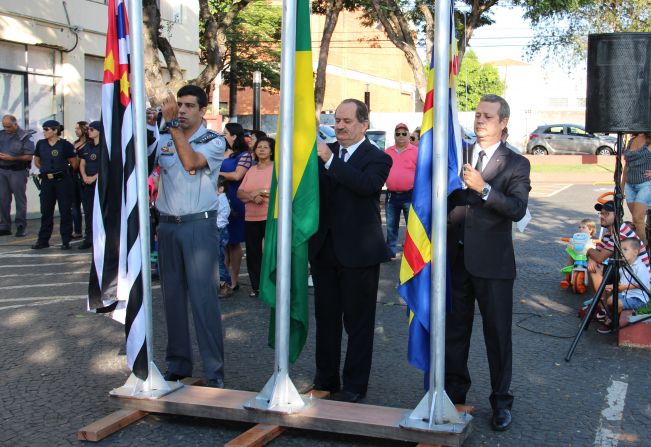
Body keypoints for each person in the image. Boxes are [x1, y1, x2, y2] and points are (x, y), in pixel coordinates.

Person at [446, 94, 531, 431]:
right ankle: (454, 395)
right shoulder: (458, 153)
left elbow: (517, 208)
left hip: (493, 264)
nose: (480, 121)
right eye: (478, 114)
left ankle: (501, 402)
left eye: (488, 117)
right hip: (456, 259)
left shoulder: (516, 163)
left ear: (503, 122)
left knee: (497, 335)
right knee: (455, 332)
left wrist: (483, 189)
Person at [308, 98, 393, 403]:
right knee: (326, 319)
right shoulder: (323, 152)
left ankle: (354, 386)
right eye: (337, 121)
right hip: (324, 250)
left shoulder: (377, 157)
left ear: (364, 125)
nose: (340, 126)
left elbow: (366, 186)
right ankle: (326, 379)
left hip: (359, 253)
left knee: (358, 324)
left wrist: (331, 160)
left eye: (346, 121)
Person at [149, 85, 226, 387]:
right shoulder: (165, 138)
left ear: (202, 110)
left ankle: (213, 371)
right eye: (178, 104)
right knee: (172, 298)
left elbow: (191, 162)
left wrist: (171, 127)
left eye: (189, 106)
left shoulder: (213, 141)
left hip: (197, 226)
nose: (181, 110)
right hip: (167, 224)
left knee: (203, 300)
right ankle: (178, 364)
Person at [31, 120, 78, 249]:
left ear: (55, 130)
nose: (44, 132)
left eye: (47, 129)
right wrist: (46, 170)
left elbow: (74, 163)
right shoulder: (41, 144)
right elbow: (37, 161)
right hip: (47, 181)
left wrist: (62, 172)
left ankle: (66, 240)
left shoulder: (65, 145)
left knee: (65, 210)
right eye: (44, 129)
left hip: (62, 181)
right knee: (46, 211)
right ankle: (43, 240)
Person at [237, 137, 274, 297]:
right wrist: (253, 196)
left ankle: (273, 285)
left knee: (272, 252)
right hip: (251, 217)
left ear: (272, 151)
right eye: (259, 147)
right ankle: (256, 286)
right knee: (253, 254)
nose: (262, 150)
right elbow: (240, 193)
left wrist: (261, 192)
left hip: (270, 217)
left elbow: (279, 193)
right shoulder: (251, 170)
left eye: (266, 147)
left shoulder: (277, 169)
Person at [586, 200, 649, 293]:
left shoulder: (619, 232)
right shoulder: (610, 232)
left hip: (637, 277)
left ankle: (601, 304)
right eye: (601, 213)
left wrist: (589, 250)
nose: (601, 216)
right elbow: (597, 252)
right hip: (624, 270)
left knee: (595, 268)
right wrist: (591, 258)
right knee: (593, 265)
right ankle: (599, 301)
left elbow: (599, 257)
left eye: (606, 214)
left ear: (617, 215)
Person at [220, 122, 253, 291]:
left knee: (233, 242)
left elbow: (237, 175)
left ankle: (234, 279)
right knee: (223, 242)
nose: (223, 135)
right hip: (220, 198)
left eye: (225, 133)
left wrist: (217, 174)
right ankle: (223, 278)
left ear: (234, 135)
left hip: (235, 198)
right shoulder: (222, 152)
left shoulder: (244, 155)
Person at [596, 237, 650, 333]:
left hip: (638, 298)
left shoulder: (640, 267)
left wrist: (621, 287)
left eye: (625, 249)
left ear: (635, 252)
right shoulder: (623, 266)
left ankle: (612, 321)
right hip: (626, 295)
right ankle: (612, 317)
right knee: (609, 300)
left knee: (616, 303)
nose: (621, 252)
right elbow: (623, 282)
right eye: (621, 249)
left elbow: (642, 285)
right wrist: (613, 286)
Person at [384, 123, 418, 257]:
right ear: (394, 136)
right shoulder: (388, 152)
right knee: (391, 226)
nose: (401, 136)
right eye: (398, 134)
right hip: (391, 195)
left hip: (410, 194)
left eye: (404, 133)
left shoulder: (416, 151)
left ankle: (412, 253)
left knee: (412, 226)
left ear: (409, 135)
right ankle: (391, 251)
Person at [0, 114, 34, 237]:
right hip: (2, 171)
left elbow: (29, 156)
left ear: (15, 124)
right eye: (4, 126)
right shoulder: (1, 134)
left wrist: (12, 158)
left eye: (9, 126)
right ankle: (4, 226)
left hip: (17, 171)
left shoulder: (24, 136)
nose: (7, 129)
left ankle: (21, 226)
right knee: (3, 199)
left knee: (20, 200)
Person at [621, 133, 651, 244]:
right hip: (629, 185)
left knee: (638, 219)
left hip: (646, 184)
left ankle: (642, 252)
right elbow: (626, 166)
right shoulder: (631, 141)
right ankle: (642, 246)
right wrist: (621, 186)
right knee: (636, 220)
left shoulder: (649, 140)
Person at [77, 121, 101, 250]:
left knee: (100, 212)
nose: (89, 131)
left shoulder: (104, 147)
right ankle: (89, 238)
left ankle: (100, 237)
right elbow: (82, 163)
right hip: (87, 183)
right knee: (88, 212)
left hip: (99, 183)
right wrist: (85, 176)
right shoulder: (88, 146)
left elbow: (106, 166)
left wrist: (94, 177)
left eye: (92, 129)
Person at [71, 121, 89, 239]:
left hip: (85, 177)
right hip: (74, 177)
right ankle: (77, 230)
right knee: (74, 205)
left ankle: (89, 230)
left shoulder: (89, 144)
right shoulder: (75, 143)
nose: (76, 131)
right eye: (75, 128)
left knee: (87, 206)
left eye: (78, 128)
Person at [216, 176, 232, 298]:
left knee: (218, 259)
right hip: (219, 230)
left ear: (221, 188)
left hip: (219, 230)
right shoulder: (221, 198)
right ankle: (223, 283)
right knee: (218, 258)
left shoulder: (220, 199)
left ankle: (225, 285)